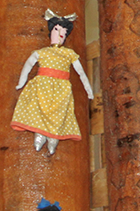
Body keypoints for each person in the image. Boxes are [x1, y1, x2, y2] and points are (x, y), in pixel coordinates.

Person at [11, 11, 94, 155]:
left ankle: (53, 139)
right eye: (57, 30)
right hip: (42, 86)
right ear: (51, 32)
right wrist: (21, 82)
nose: (60, 34)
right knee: (39, 108)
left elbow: (81, 72)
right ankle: (40, 135)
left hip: (61, 88)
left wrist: (88, 89)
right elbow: (28, 65)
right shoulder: (42, 52)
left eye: (64, 32)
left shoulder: (69, 54)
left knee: (58, 113)